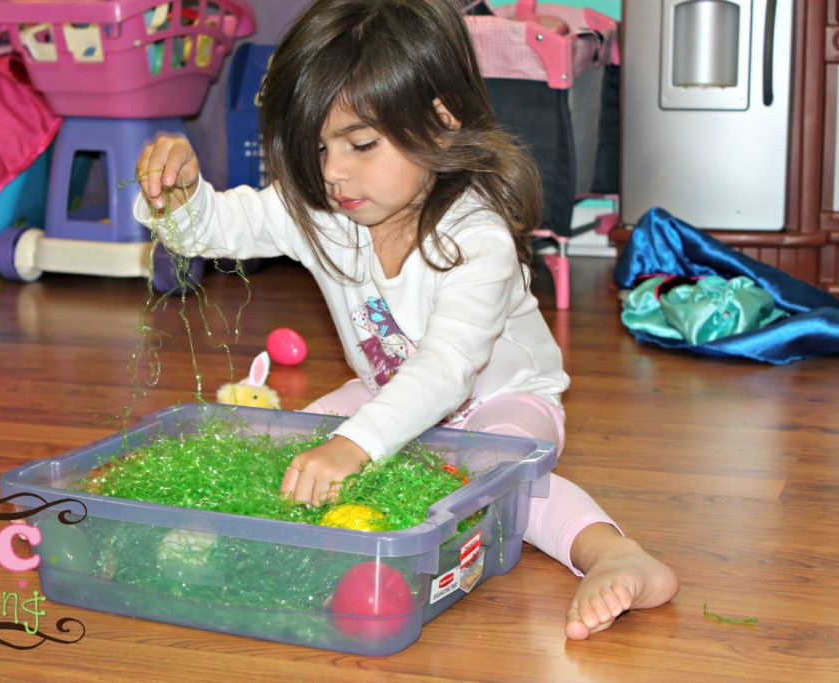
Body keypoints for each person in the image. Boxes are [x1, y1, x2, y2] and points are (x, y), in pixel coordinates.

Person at [134, 0, 678, 640]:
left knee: (494, 474)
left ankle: (610, 551)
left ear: (441, 122)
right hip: (387, 393)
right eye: (317, 147)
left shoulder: (477, 238)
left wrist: (356, 444)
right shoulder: (324, 211)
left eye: (361, 144)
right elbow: (220, 227)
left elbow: (448, 369)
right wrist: (181, 197)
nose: (333, 172)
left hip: (499, 401)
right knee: (291, 440)